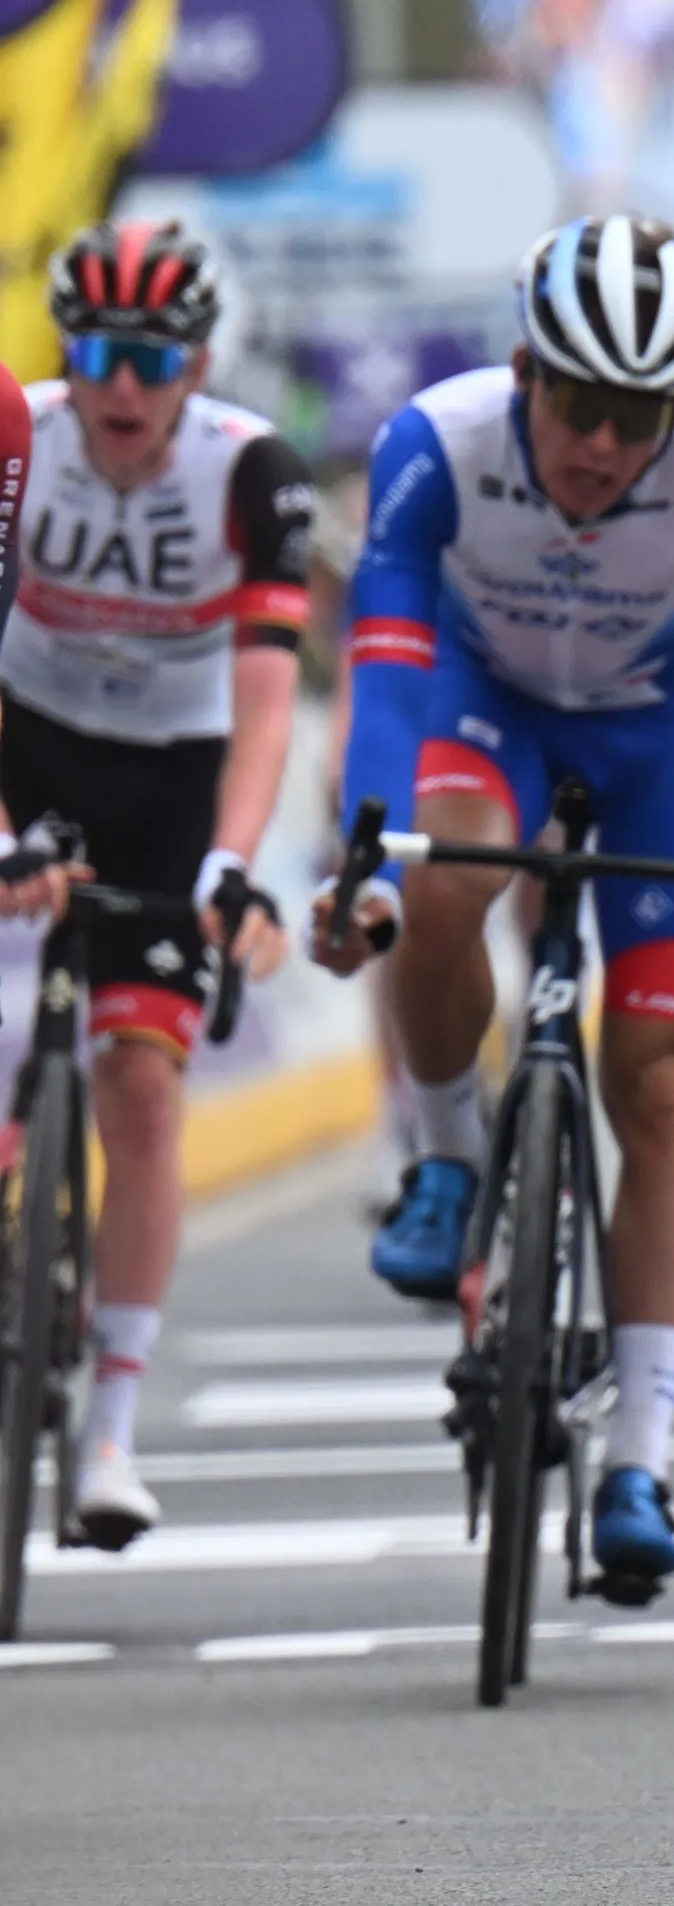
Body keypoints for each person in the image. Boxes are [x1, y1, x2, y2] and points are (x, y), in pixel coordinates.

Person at [306, 215, 674, 1604]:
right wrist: (361, 857)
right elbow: (386, 659)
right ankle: (448, 1160)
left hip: (665, 744)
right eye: (579, 402)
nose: (600, 443)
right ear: (524, 370)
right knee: (441, 879)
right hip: (493, 708)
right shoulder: (433, 445)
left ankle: (641, 1455)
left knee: (664, 1087)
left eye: (638, 417)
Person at [0, 225, 310, 1551]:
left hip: (175, 777)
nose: (121, 386)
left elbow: (267, 699)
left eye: (150, 358)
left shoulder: (252, 472)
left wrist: (231, 863)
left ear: (196, 363)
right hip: (27, 740)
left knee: (141, 1082)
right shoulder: (20, 439)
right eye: (96, 355)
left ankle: (112, 1426)